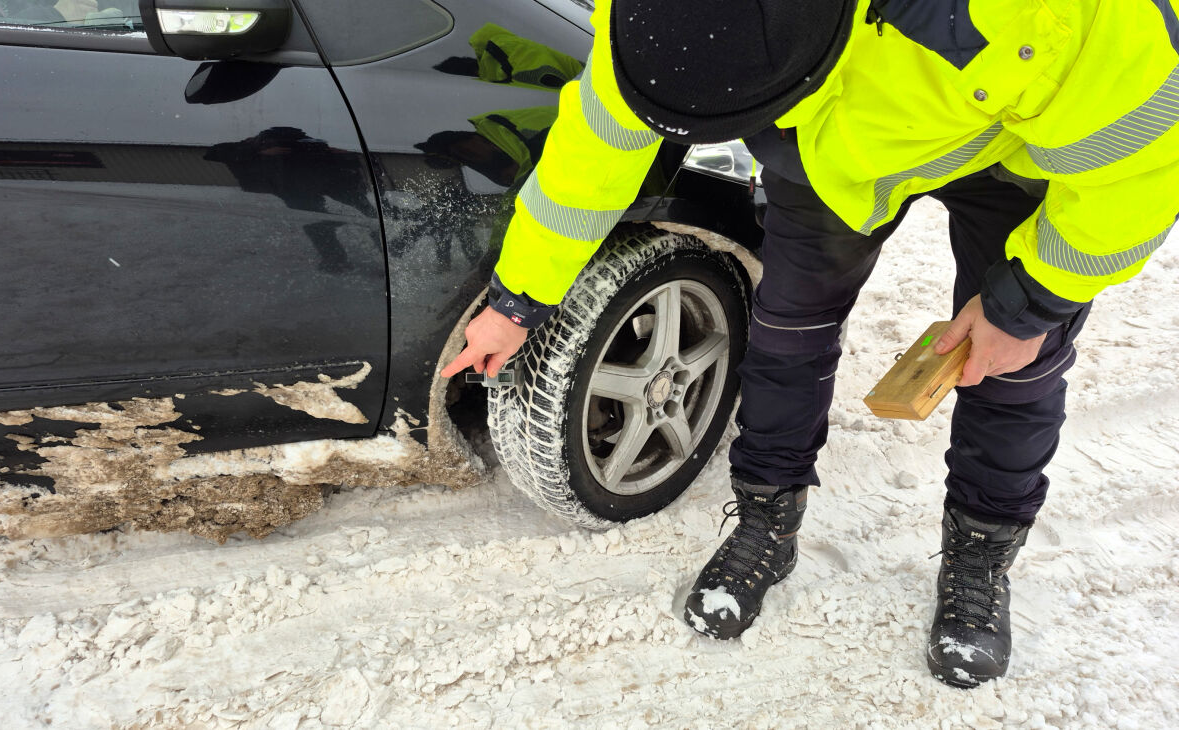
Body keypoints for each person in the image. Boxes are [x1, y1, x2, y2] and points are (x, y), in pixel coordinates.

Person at [441, 0, 1179, 687]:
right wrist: (520, 297)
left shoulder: (1042, 15)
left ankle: (981, 555)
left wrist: (1032, 300)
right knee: (786, 334)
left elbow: (1147, 152)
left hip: (1016, 150)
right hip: (827, 153)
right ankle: (767, 521)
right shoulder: (660, 19)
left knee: (1009, 366)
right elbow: (601, 140)